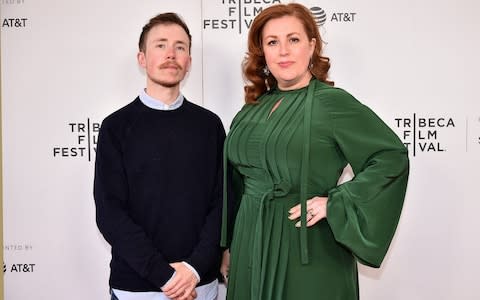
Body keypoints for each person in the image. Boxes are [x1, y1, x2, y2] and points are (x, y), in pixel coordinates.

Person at [220, 3, 409, 300]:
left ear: (311, 46)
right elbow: (235, 183)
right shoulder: (251, 109)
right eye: (273, 42)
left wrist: (335, 202)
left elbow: (390, 157)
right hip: (249, 246)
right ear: (263, 53)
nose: (283, 51)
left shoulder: (332, 103)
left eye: (293, 40)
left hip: (306, 248)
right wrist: (228, 244)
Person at [94, 12, 225, 300]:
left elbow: (222, 205)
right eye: (161, 45)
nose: (171, 54)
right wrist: (165, 276)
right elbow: (110, 213)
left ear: (189, 61)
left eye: (180, 47)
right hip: (135, 288)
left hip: (199, 285)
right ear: (142, 59)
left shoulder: (210, 125)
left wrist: (193, 269)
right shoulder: (116, 127)